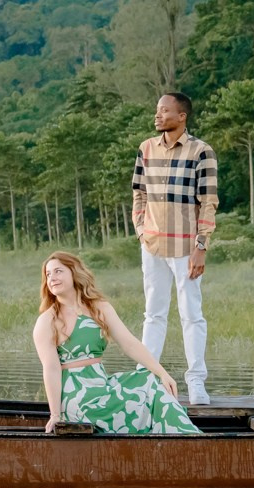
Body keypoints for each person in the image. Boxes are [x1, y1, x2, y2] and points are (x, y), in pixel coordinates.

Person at [33, 251, 201, 436]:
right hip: (77, 396)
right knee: (142, 390)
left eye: (58, 271)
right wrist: (55, 414)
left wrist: (162, 373)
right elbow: (51, 369)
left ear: (74, 273)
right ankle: (179, 439)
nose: (52, 278)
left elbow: (129, 343)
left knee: (149, 379)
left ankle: (183, 438)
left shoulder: (98, 308)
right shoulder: (47, 321)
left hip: (101, 384)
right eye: (48, 274)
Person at [131, 90, 217, 405]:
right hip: (152, 245)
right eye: (157, 110)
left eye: (164, 111)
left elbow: (208, 202)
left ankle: (196, 383)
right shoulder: (146, 149)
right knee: (153, 314)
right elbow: (138, 194)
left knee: (191, 315)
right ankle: (146, 381)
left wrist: (201, 246)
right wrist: (140, 230)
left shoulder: (201, 151)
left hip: (185, 247)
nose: (158, 115)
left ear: (181, 116)